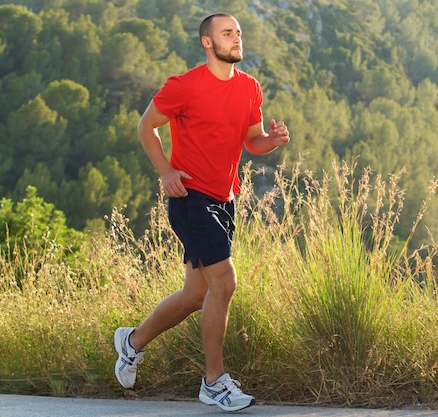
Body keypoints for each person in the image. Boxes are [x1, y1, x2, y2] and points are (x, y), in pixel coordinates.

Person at [114, 12, 290, 412]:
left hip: (225, 199)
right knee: (224, 283)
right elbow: (146, 126)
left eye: (239, 33)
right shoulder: (185, 86)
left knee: (197, 293)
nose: (237, 39)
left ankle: (132, 341)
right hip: (190, 197)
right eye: (227, 34)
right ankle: (214, 382)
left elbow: (253, 143)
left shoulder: (249, 88)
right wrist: (165, 171)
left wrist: (273, 141)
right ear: (208, 43)